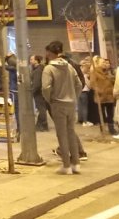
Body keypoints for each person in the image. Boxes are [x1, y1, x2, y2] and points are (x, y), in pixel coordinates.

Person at [42, 41, 81, 175]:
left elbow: (45, 87)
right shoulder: (70, 67)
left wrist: (50, 99)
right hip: (71, 104)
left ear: (49, 53)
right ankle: (76, 163)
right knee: (71, 132)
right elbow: (79, 84)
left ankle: (66, 165)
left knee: (62, 135)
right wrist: (74, 96)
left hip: (58, 104)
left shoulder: (49, 68)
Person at [91, 56, 117, 134]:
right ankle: (102, 129)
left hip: (109, 96)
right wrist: (99, 90)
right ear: (98, 64)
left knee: (110, 114)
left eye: (105, 62)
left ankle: (111, 128)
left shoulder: (108, 72)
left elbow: (113, 81)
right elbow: (93, 83)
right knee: (101, 114)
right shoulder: (94, 72)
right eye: (102, 62)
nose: (105, 64)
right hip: (101, 96)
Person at [31, 56, 49, 132]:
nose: (30, 61)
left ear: (36, 61)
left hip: (39, 93)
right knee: (42, 109)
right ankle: (41, 125)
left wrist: (32, 92)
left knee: (41, 109)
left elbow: (37, 83)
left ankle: (42, 125)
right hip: (41, 92)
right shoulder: (39, 69)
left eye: (31, 59)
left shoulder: (38, 71)